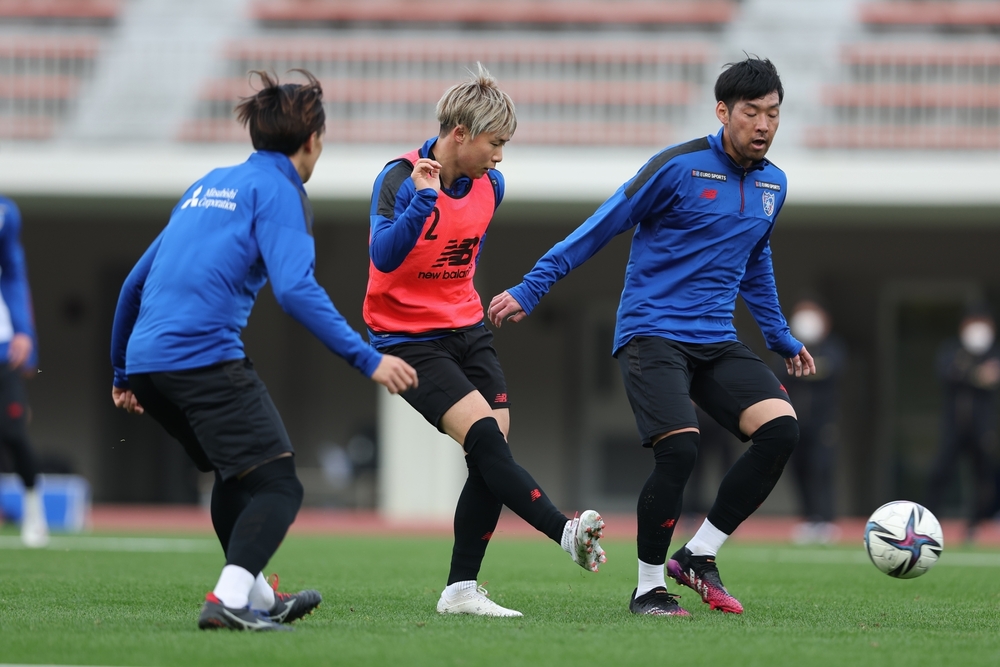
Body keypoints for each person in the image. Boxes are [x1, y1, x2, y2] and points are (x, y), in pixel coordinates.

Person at [489, 57, 811, 616]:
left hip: (715, 340)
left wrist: (779, 336)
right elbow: (604, 223)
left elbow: (755, 260)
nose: (764, 124)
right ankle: (648, 588)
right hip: (651, 333)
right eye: (751, 112)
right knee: (680, 450)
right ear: (723, 112)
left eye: (773, 113)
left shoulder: (773, 183)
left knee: (781, 429)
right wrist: (533, 286)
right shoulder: (677, 167)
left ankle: (699, 554)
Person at [110, 71, 418, 632]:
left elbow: (133, 284)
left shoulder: (208, 183)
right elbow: (295, 290)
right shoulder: (282, 191)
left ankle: (256, 595)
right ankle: (229, 599)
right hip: (202, 359)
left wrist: (122, 373)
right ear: (313, 140)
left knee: (237, 475)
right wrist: (368, 358)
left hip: (147, 363)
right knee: (279, 484)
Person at [364, 64, 606, 618]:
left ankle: (460, 590)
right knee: (485, 439)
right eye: (494, 144)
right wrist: (424, 201)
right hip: (406, 337)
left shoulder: (491, 186)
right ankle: (562, 530)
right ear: (460, 134)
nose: (499, 157)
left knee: (489, 451)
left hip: (467, 328)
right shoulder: (399, 178)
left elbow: (457, 255)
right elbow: (384, 256)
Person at [926, 303, 999, 541]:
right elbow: (948, 373)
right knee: (940, 472)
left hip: (983, 426)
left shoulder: (994, 352)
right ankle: (928, 522)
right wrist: (977, 375)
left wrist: (970, 375)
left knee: (983, 476)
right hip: (953, 425)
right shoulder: (952, 350)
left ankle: (975, 525)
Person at [0, 195, 47, 548]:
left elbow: (14, 274)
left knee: (14, 432)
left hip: (3, 349)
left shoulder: (5, 213)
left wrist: (24, 332)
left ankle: (34, 510)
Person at [780, 298, 846, 545]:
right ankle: (808, 517)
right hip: (795, 420)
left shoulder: (832, 347)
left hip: (823, 422)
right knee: (798, 468)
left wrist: (805, 370)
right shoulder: (787, 346)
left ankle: (826, 519)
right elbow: (780, 372)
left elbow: (832, 369)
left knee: (822, 468)